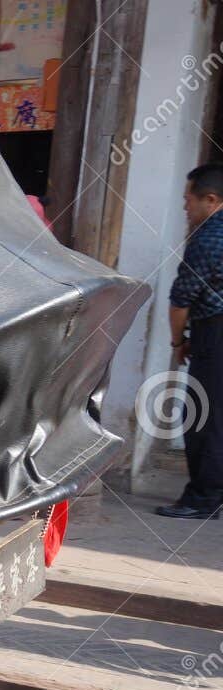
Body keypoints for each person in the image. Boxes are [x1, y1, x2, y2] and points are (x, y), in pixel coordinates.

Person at [162, 161, 223, 520]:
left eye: (189, 200)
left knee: (204, 417)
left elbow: (181, 300)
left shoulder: (208, 238)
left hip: (214, 333)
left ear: (210, 199)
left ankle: (204, 497)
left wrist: (177, 342)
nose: (185, 207)